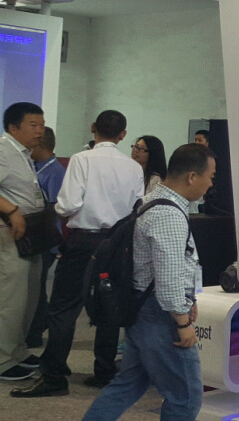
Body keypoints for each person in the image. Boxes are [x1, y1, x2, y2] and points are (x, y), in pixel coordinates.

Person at [51, 143, 217, 421]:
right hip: (160, 316)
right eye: (210, 176)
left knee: (124, 387)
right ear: (192, 176)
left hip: (142, 311)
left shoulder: (152, 201)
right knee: (187, 395)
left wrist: (187, 297)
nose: (211, 184)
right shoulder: (170, 214)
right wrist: (182, 320)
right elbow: (168, 278)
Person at [13, 110, 144, 397]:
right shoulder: (134, 167)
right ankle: (104, 372)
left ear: (93, 128)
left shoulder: (82, 159)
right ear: (123, 135)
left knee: (64, 308)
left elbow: (68, 204)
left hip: (83, 241)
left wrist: (59, 212)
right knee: (109, 307)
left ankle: (54, 376)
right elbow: (137, 208)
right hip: (117, 244)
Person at [0, 102, 47, 381]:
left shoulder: (24, 153)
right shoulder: (3, 150)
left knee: (28, 296)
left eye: (42, 125)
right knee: (10, 298)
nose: (40, 131)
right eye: (34, 125)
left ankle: (16, 350)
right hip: (9, 233)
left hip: (30, 235)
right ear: (13, 127)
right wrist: (11, 210)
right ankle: (2, 359)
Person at [27, 126, 67, 349]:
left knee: (37, 287)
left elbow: (55, 209)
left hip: (44, 238)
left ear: (40, 144)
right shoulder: (34, 166)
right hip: (33, 237)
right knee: (31, 285)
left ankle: (35, 331)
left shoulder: (55, 172)